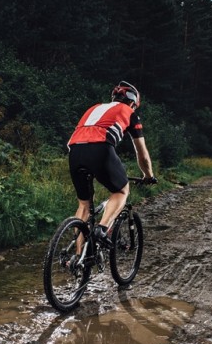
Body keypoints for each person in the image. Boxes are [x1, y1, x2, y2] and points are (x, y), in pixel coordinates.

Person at [67, 81, 156, 247]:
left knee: (84, 205)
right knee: (121, 191)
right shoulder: (129, 112)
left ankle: (79, 261)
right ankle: (102, 229)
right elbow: (141, 153)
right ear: (132, 102)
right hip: (100, 148)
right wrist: (148, 175)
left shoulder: (94, 108)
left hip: (74, 151)